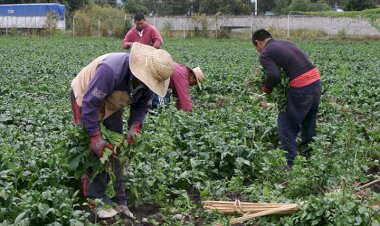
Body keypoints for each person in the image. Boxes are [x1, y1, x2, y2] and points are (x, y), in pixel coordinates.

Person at [70, 43, 173, 218]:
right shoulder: (111, 71)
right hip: (85, 97)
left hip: (112, 103)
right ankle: (97, 199)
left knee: (116, 149)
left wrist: (134, 126)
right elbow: (89, 103)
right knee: (95, 152)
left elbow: (140, 107)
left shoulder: (148, 83)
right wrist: (95, 135)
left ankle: (120, 200)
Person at [252, 29, 322, 169]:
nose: (258, 50)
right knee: (308, 121)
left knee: (286, 124)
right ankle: (310, 157)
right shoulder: (286, 43)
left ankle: (291, 163)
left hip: (302, 87)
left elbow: (274, 75)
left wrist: (266, 87)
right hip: (316, 83)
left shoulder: (265, 53)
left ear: (258, 42)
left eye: (256, 47)